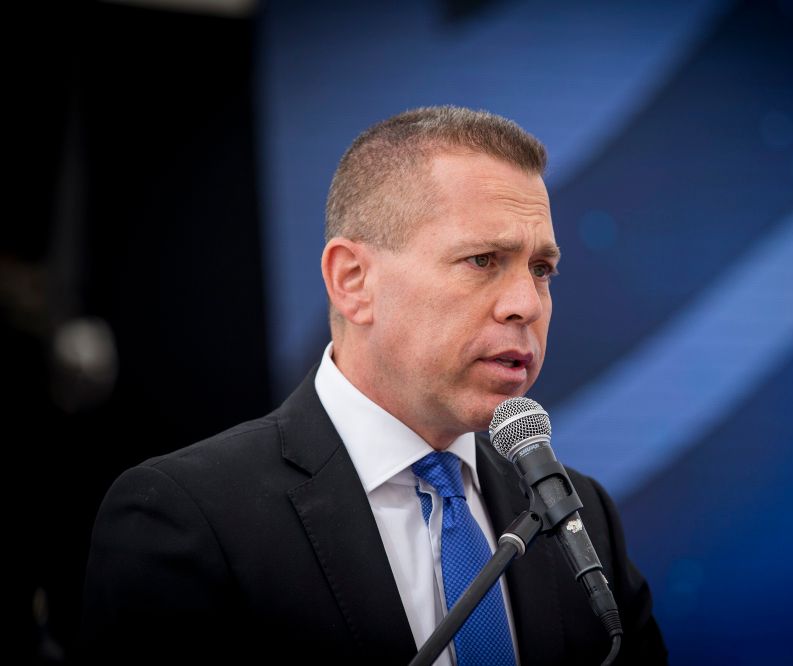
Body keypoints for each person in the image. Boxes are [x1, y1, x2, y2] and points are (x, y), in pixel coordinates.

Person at [81, 106, 667, 664]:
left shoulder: (579, 513)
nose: (525, 304)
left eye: (541, 270)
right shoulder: (185, 517)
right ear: (353, 280)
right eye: (484, 260)